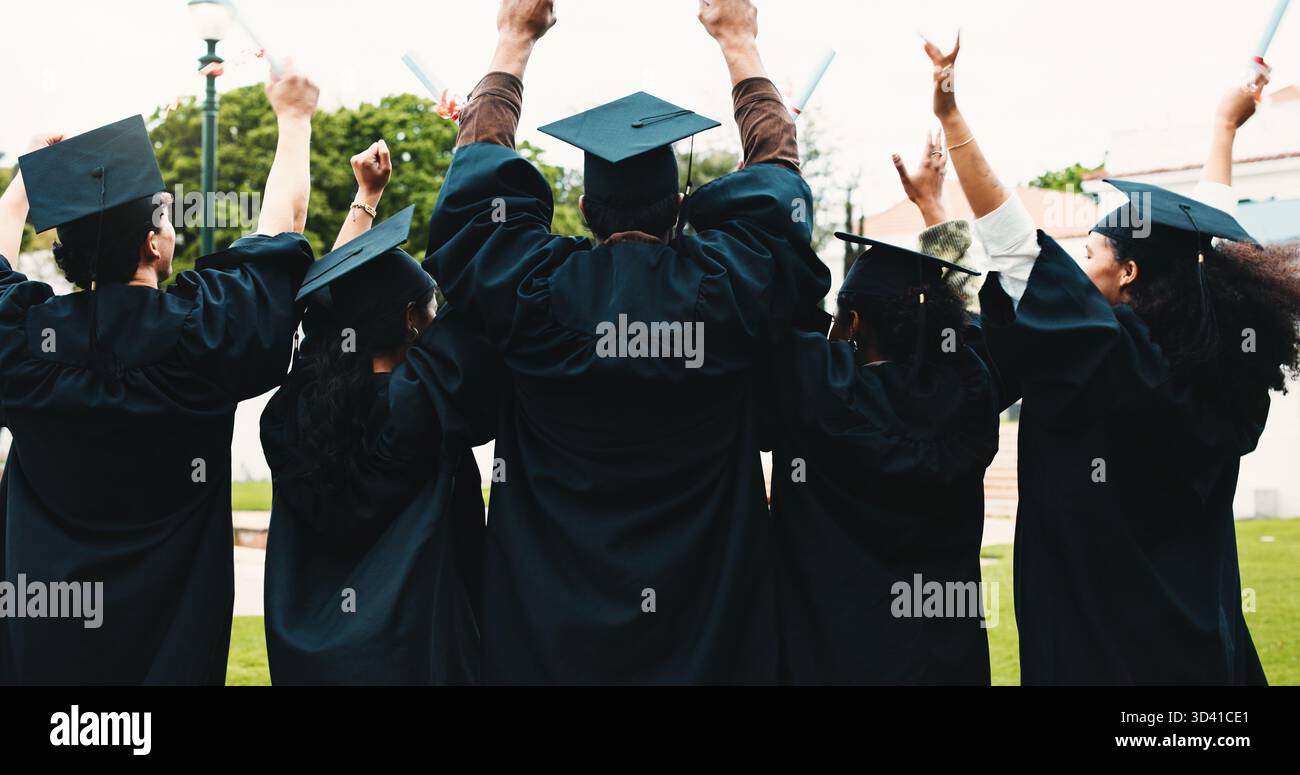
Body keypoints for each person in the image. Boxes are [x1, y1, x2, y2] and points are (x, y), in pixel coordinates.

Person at [425, 0, 829, 684]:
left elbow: (473, 203)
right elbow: (775, 187)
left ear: (583, 208)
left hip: (552, 639)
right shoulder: (729, 293)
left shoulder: (535, 295)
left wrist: (513, 39)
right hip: (708, 633)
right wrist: (739, 41)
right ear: (679, 207)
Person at [929, 36, 1300, 684]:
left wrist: (951, 116)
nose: (1078, 265)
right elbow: (1211, 249)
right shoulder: (1224, 368)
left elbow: (1015, 247)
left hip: (1112, 651)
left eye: (1092, 252)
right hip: (1198, 649)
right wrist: (1222, 128)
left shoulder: (1113, 359)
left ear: (1128, 273)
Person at [0, 65, 319, 685]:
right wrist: (294, 120)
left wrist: (23, 189)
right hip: (171, 632)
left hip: (48, 634)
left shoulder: (25, 347)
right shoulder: (203, 333)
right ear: (153, 243)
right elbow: (280, 236)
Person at [260, 143, 495, 685]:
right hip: (414, 654)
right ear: (413, 319)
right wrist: (476, 143)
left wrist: (366, 199)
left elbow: (331, 308)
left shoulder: (291, 412)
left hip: (311, 662)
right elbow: (484, 288)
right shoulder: (427, 401)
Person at [771, 134, 998, 685]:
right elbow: (974, 322)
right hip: (944, 658)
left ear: (851, 322)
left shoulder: (815, 387)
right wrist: (933, 209)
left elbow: (768, 308)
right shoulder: (974, 388)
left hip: (832, 653)